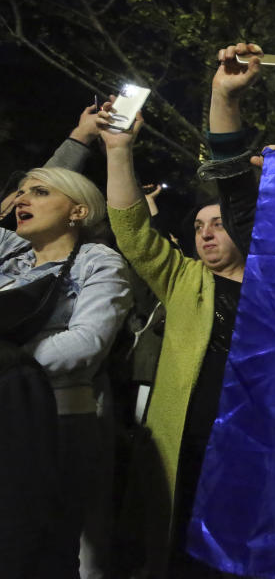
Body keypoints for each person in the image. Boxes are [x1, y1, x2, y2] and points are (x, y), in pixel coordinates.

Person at [103, 43, 259, 578]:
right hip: (186, 447)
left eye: (218, 223)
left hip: (252, 448)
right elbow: (131, 229)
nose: (206, 234)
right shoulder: (184, 280)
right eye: (197, 227)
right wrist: (118, 151)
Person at [0, 165, 132, 578]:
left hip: (58, 421)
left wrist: (11, 366)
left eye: (39, 192)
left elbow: (87, 344)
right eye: (20, 192)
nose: (22, 200)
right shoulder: (11, 257)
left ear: (77, 211)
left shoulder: (100, 261)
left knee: (43, 547)